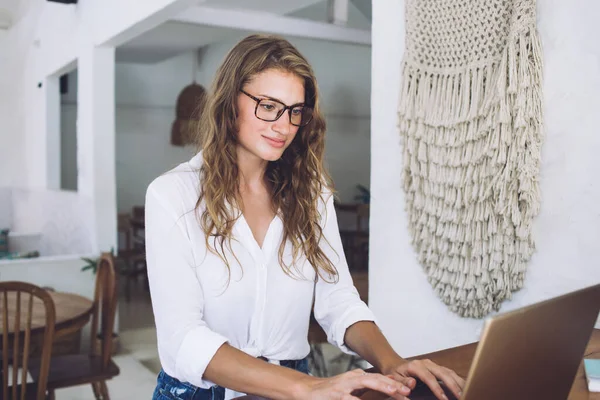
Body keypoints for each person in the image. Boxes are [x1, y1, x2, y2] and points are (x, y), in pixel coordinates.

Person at [145, 34, 465, 400]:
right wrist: (308, 387)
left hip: (296, 387)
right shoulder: (173, 196)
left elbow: (338, 300)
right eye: (268, 106)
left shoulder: (310, 194)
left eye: (296, 111)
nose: (284, 126)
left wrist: (392, 362)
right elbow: (183, 339)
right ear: (229, 102)